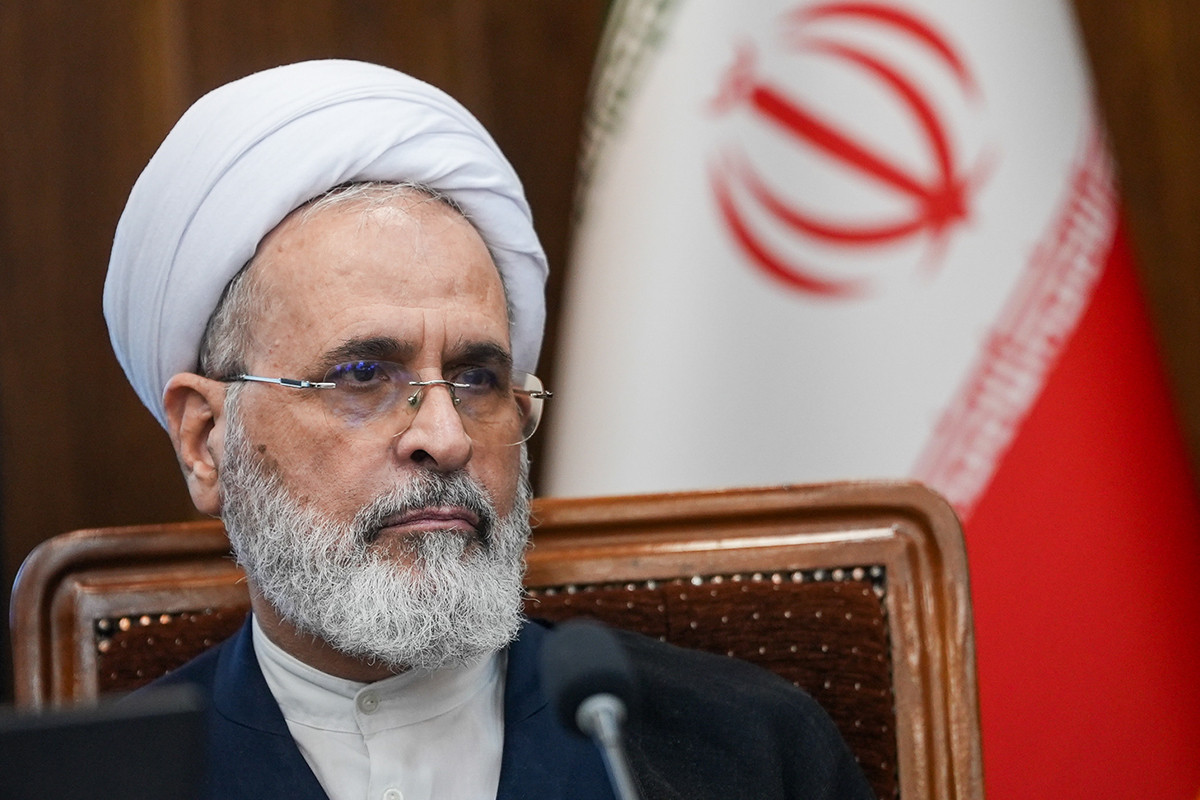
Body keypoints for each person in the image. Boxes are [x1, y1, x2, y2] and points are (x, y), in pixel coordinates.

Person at [103, 60, 875, 800]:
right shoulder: (104, 780)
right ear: (206, 440)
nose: (446, 439)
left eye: (477, 379)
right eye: (363, 376)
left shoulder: (748, 751)